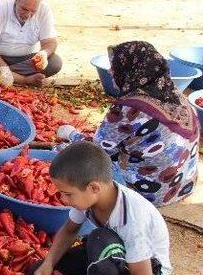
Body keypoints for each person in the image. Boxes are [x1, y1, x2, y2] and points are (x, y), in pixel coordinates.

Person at [28, 142, 171, 275]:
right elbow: (70, 229)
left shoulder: (132, 219)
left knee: (99, 238)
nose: (63, 200)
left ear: (94, 187)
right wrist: (48, 263)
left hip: (148, 271)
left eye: (67, 195)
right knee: (36, 274)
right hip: (108, 252)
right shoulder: (90, 198)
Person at [57, 41, 199, 207]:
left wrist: (71, 134)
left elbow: (96, 152)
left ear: (131, 70)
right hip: (181, 185)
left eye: (115, 66)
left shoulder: (129, 108)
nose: (111, 71)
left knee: (63, 155)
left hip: (149, 193)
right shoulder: (175, 94)